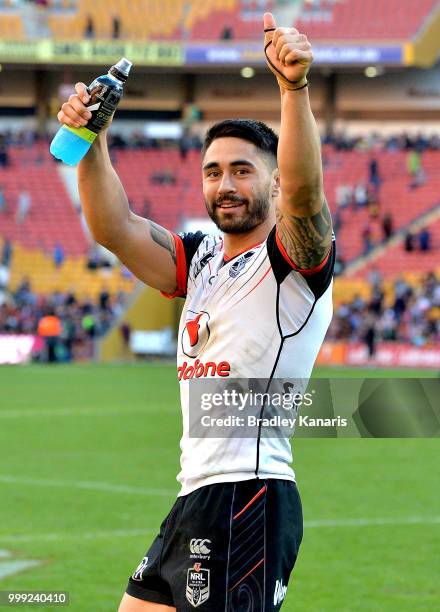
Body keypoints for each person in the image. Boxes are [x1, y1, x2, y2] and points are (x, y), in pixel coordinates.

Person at [56, 12, 334, 611]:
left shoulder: (291, 260)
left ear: (274, 181)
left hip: (250, 497)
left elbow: (308, 198)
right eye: (213, 172)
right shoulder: (202, 257)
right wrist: (92, 137)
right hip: (194, 498)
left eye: (241, 170)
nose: (225, 185)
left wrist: (293, 88)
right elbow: (115, 227)